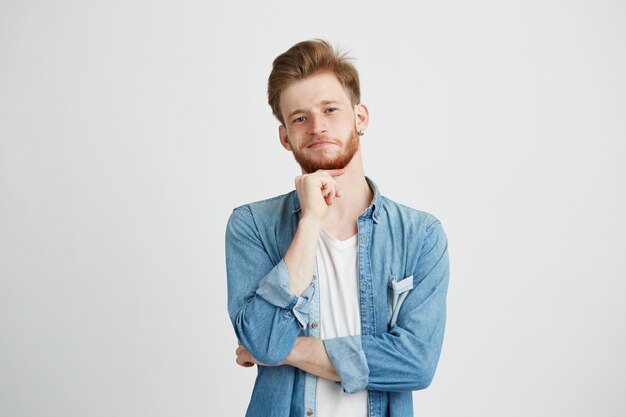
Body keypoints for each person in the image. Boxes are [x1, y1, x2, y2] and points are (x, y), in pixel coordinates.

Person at [225, 39, 449, 417]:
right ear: (285, 137)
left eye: (330, 109)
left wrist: (287, 350)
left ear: (360, 117)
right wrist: (310, 221)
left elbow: (416, 363)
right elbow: (261, 337)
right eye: (299, 118)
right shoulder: (252, 226)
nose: (318, 127)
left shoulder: (421, 236)